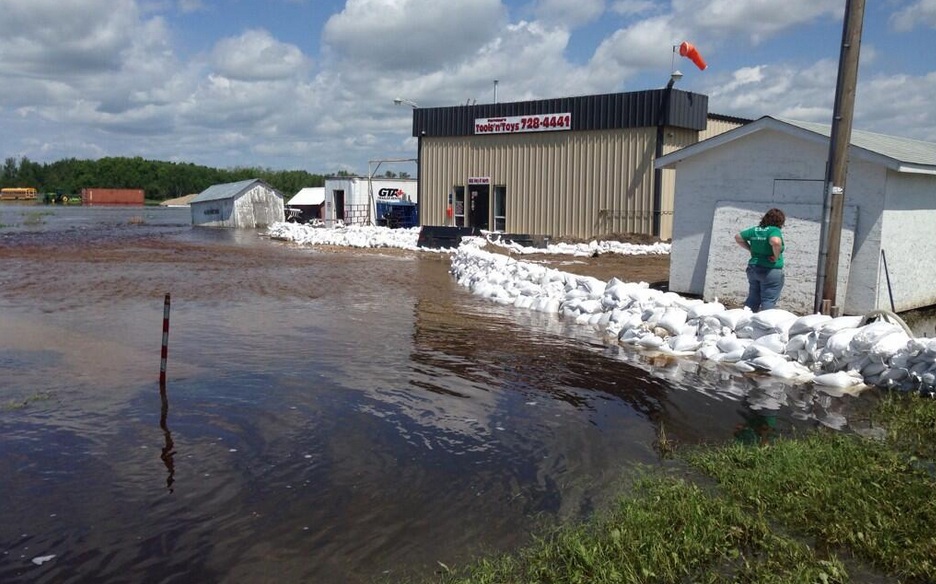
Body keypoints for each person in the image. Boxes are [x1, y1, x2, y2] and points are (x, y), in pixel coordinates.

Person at [735, 208, 785, 312]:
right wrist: (776, 257)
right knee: (768, 300)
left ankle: (745, 322)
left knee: (753, 298)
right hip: (770, 270)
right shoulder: (774, 230)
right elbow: (775, 242)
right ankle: (765, 326)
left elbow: (738, 237)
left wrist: (750, 249)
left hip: (753, 268)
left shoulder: (755, 230)